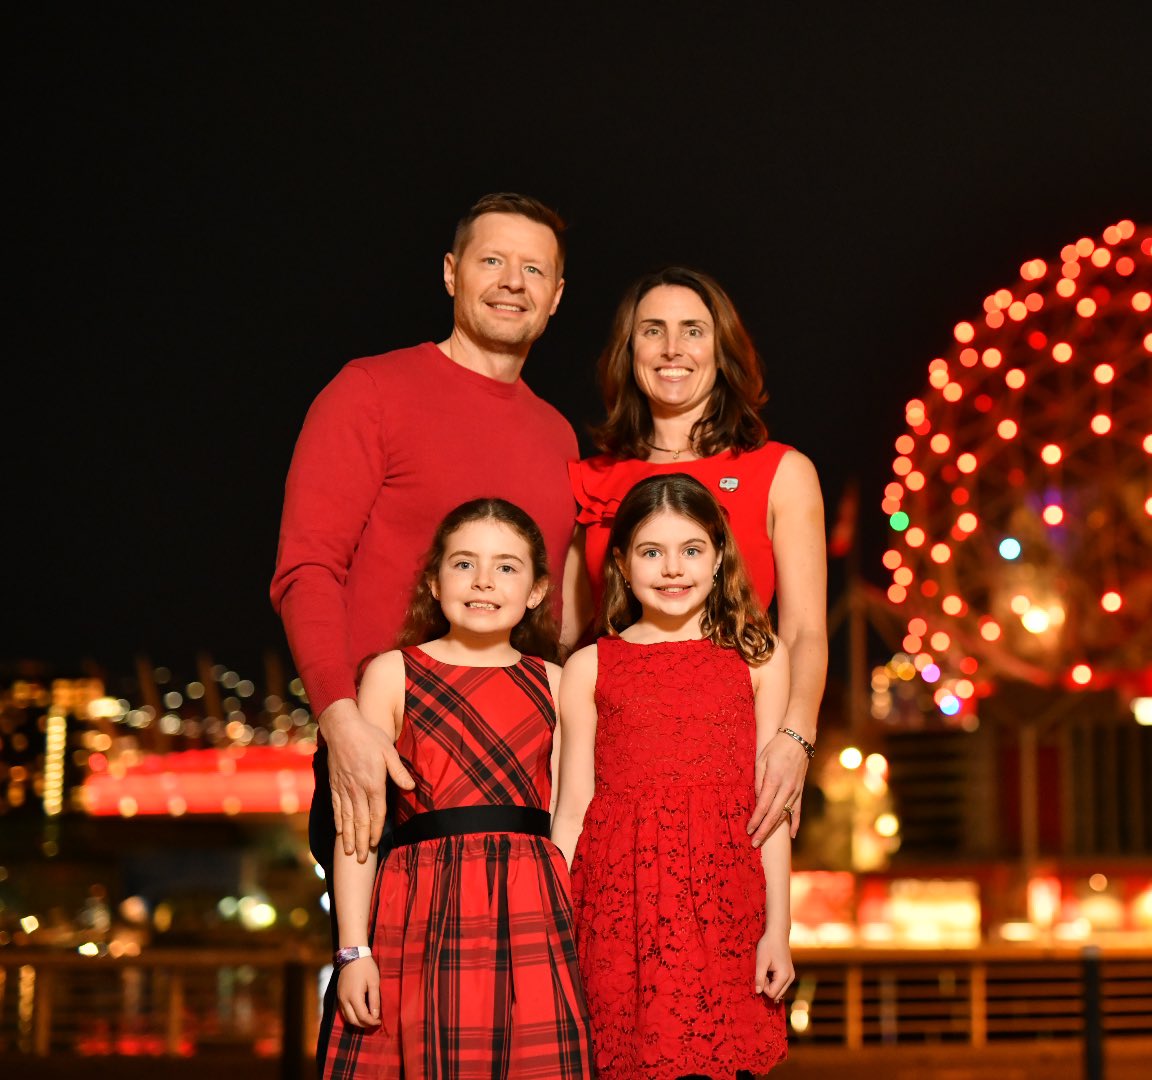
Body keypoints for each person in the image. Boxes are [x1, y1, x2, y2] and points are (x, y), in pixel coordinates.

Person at [271, 193, 578, 884]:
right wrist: (341, 723)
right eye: (491, 260)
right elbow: (307, 569)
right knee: (374, 978)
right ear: (450, 272)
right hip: (385, 748)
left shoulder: (558, 436)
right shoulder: (369, 391)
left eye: (532, 269)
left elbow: (555, 611)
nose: (511, 282)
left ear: (556, 296)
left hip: (520, 767)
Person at [324, 498, 591, 1078]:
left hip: (532, 908)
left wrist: (556, 919)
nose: (484, 581)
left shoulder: (557, 681)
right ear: (433, 580)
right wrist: (352, 951)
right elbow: (359, 830)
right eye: (464, 563)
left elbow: (571, 814)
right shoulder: (392, 673)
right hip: (420, 909)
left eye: (507, 567)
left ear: (538, 590)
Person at [566, 267, 825, 847]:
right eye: (652, 331)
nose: (672, 348)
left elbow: (806, 630)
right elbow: (565, 640)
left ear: (722, 347)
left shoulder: (782, 472)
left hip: (737, 757)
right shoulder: (588, 480)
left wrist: (794, 739)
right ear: (628, 351)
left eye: (693, 330)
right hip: (617, 766)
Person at [553, 474, 792, 1080]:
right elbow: (574, 806)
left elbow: (773, 807)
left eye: (691, 550)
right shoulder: (589, 666)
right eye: (651, 552)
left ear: (718, 559)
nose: (672, 569)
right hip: (615, 905)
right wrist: (554, 927)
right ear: (623, 566)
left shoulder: (759, 656)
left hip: (724, 900)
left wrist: (779, 930)